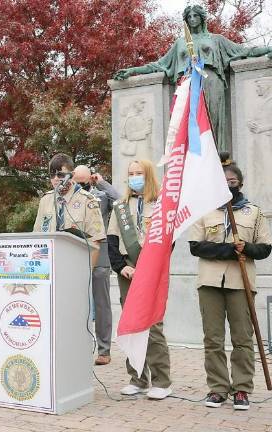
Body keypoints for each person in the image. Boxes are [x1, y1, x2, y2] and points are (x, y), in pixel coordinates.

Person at [114, 4, 272, 153]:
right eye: (189, 16)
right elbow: (160, 65)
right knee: (190, 124)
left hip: (211, 81)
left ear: (202, 18)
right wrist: (132, 70)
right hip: (187, 84)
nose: (192, 19)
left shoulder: (216, 39)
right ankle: (192, 162)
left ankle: (218, 159)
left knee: (213, 120)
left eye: (196, 15)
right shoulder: (180, 43)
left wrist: (268, 49)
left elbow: (245, 51)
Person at [189, 154, 272, 410]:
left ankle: (242, 389)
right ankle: (217, 388)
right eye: (223, 181)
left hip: (241, 283)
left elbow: (265, 248)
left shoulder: (254, 212)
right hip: (210, 282)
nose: (228, 185)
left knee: (243, 338)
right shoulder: (204, 211)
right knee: (213, 339)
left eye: (232, 180)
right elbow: (196, 247)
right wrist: (227, 250)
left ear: (240, 184)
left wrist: (246, 247)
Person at [107, 159, 172, 399]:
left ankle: (162, 381)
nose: (135, 177)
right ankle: (138, 379)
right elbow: (112, 241)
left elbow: (168, 242)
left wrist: (149, 268)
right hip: (128, 271)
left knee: (153, 326)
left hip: (151, 271)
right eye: (131, 173)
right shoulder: (121, 206)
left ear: (149, 175)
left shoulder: (161, 205)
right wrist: (121, 266)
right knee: (132, 324)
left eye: (139, 173)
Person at [72, 165, 119, 366]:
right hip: (75, 251)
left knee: (101, 303)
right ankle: (77, 347)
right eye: (77, 181)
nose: (81, 185)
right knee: (74, 303)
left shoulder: (101, 195)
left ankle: (104, 349)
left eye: (85, 181)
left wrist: (102, 182)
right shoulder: (69, 197)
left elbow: (120, 201)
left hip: (100, 252)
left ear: (90, 179)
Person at [33, 153, 106, 267]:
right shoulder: (45, 200)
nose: (56, 179)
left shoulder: (88, 200)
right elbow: (37, 237)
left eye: (60, 175)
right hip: (49, 266)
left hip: (76, 265)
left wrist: (85, 275)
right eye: (52, 175)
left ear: (71, 175)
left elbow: (95, 243)